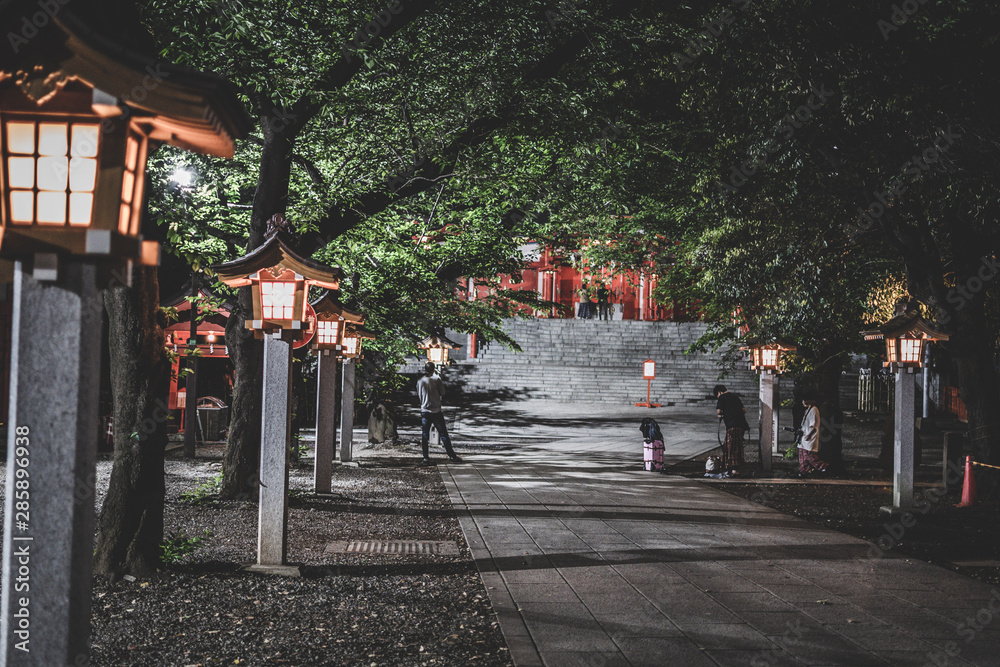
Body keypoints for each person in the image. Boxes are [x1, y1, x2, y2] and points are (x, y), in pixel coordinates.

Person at [416, 362, 461, 464]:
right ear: (433, 369)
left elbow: (419, 394)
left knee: (424, 435)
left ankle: (425, 457)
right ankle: (452, 456)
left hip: (425, 410)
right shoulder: (436, 379)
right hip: (436, 410)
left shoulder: (420, 381)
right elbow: (443, 392)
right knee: (444, 434)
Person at [714, 384, 748, 475]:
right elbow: (744, 410)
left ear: (719, 392)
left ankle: (734, 469)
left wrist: (722, 414)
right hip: (741, 425)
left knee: (731, 447)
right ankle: (734, 468)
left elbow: (719, 411)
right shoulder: (735, 397)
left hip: (732, 425)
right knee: (737, 446)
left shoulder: (722, 397)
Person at [797, 396, 828, 476]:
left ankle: (823, 466)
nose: (802, 402)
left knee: (808, 454)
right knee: (802, 453)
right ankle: (804, 470)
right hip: (804, 434)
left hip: (809, 434)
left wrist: (809, 435)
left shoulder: (814, 410)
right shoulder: (808, 410)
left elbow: (814, 426)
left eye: (803, 400)